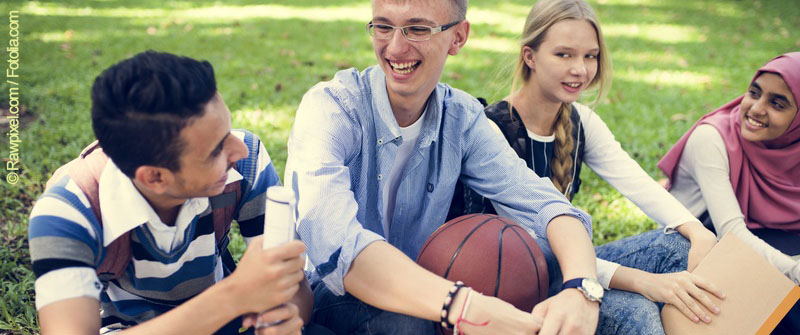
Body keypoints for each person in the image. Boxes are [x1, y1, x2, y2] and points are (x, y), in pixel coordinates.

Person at [284, 0, 603, 333]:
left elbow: (547, 204)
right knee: (414, 322)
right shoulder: (331, 108)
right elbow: (337, 245)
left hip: (437, 289)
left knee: (546, 272)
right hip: (336, 295)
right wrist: (464, 306)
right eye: (383, 26)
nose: (395, 47)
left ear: (458, 37)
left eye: (418, 29)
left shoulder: (461, 119)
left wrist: (582, 287)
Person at [448, 0, 726, 333]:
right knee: (633, 310)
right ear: (530, 57)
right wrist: (642, 282)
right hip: (510, 280)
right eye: (564, 54)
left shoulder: (581, 123)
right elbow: (542, 249)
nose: (580, 69)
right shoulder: (493, 130)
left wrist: (695, 229)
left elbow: (637, 183)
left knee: (678, 246)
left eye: (590, 56)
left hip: (573, 265)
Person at [28, 51, 314, 335]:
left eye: (229, 129)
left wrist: (283, 318)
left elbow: (296, 289)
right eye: (216, 150)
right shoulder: (66, 212)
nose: (238, 149)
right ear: (154, 177)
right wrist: (233, 295)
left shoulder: (246, 162)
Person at [659, 52, 800, 334]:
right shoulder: (711, 138)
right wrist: (795, 271)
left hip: (764, 236)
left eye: (777, 103)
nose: (757, 109)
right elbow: (731, 232)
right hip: (699, 243)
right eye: (754, 93)